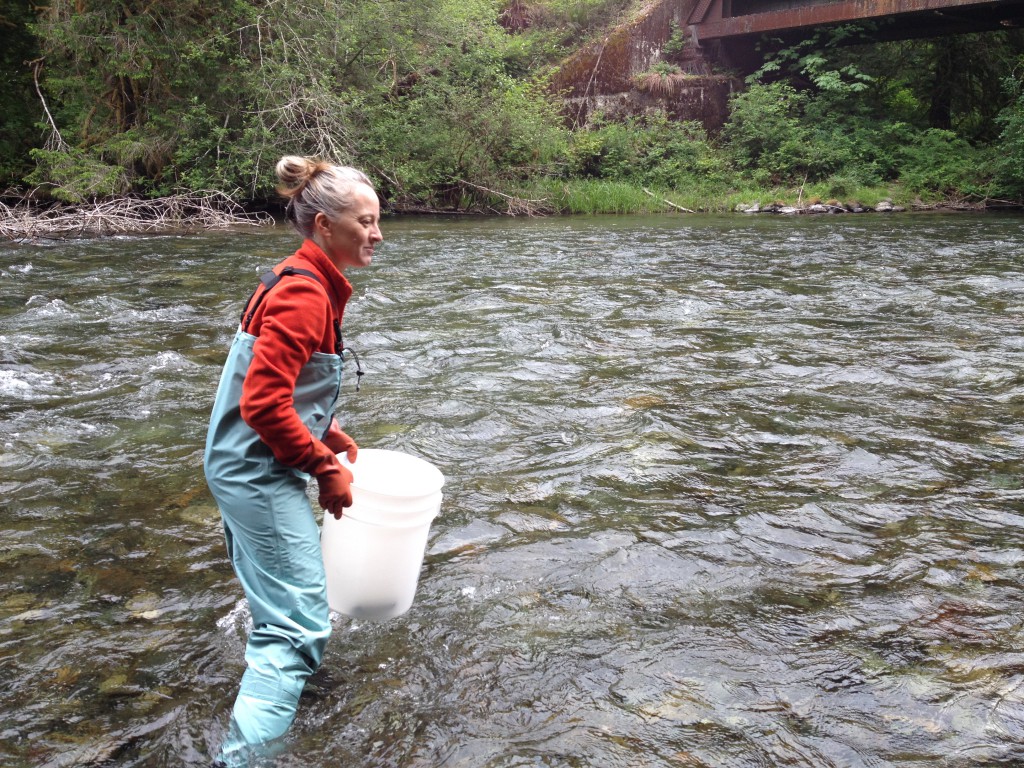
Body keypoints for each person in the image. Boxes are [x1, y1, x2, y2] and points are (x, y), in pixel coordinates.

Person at [203, 156, 383, 766]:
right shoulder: (307, 294)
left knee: (279, 604)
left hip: (238, 462)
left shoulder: (301, 277)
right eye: (366, 221)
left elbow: (269, 382)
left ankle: (275, 681)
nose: (377, 233)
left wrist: (324, 429)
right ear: (325, 226)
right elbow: (260, 401)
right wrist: (322, 465)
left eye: (378, 221)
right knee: (299, 627)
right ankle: (242, 759)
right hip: (256, 471)